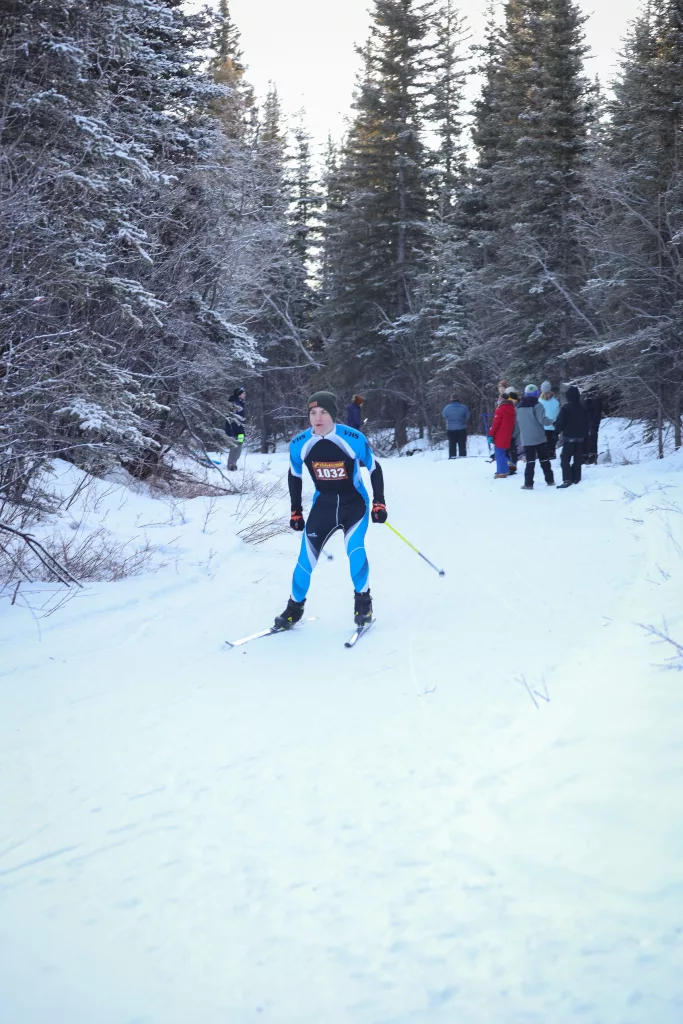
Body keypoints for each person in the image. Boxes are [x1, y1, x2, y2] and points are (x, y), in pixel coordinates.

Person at [274, 391, 387, 630]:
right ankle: (294, 608)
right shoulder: (299, 443)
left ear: (333, 414)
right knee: (305, 559)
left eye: (323, 412)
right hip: (323, 505)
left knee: (354, 549)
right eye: (313, 413)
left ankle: (363, 603)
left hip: (354, 504)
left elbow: (374, 468)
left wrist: (379, 502)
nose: (318, 418)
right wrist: (296, 511)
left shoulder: (352, 437)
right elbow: (295, 475)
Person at [516, 385, 555, 489]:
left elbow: (518, 422)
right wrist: (553, 421)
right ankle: (550, 480)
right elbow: (543, 420)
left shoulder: (519, 407)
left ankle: (528, 483)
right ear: (536, 394)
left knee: (530, 462)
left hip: (526, 439)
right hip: (539, 437)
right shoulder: (537, 405)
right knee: (544, 460)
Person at [555, 385, 590, 488]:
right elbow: (587, 423)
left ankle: (567, 479)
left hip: (568, 438)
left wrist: (556, 432)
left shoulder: (565, 408)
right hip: (580, 438)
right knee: (577, 458)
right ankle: (576, 477)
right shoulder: (583, 408)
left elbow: (560, 423)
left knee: (565, 458)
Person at [488, 391, 517, 478]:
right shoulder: (512, 408)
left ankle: (502, 472)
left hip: (500, 434)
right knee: (503, 453)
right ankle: (511, 464)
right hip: (508, 433)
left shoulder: (500, 409)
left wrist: (491, 434)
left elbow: (495, 424)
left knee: (499, 453)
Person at [225, 386, 246, 470]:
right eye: (243, 393)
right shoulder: (234, 404)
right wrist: (232, 430)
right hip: (233, 430)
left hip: (240, 430)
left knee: (239, 447)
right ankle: (231, 464)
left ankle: (234, 463)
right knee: (234, 447)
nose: (245, 395)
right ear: (239, 394)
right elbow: (232, 419)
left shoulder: (240, 403)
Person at [539, 381, 560, 459]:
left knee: (545, 444)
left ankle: (546, 455)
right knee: (552, 443)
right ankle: (552, 453)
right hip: (554, 426)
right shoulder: (556, 402)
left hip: (544, 426)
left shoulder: (540, 401)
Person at [583, 388, 603, 465]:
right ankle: (586, 455)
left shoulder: (596, 399)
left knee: (593, 436)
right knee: (586, 438)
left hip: (593, 422)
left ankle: (592, 456)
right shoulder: (584, 398)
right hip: (586, 422)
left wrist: (594, 424)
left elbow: (597, 412)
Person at [503, 388, 520, 474]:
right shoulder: (513, 405)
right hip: (510, 431)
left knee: (511, 450)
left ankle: (511, 466)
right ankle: (511, 465)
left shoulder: (514, 407)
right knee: (511, 450)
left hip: (511, 432)